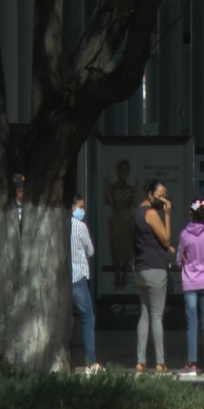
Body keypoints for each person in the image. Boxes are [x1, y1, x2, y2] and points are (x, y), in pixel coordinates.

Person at [132, 180, 174, 374]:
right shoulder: (151, 213)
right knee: (157, 315)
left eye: (164, 196)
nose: (163, 200)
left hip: (140, 268)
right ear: (150, 194)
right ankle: (160, 362)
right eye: (160, 196)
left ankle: (140, 362)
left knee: (145, 314)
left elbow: (148, 240)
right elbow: (165, 238)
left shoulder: (136, 212)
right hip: (155, 269)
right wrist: (167, 213)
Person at [177, 199, 204, 377]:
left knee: (192, 322)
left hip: (190, 282)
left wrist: (184, 257)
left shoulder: (185, 234)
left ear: (192, 213)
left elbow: (178, 259)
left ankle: (191, 364)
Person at [71, 194, 102, 375]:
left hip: (64, 279)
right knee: (88, 317)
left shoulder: (61, 225)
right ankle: (90, 361)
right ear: (72, 207)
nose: (82, 211)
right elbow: (90, 250)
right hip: (79, 278)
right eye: (80, 207)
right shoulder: (80, 226)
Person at [103, 160, 138, 290]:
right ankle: (117, 276)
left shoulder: (130, 188)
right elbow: (107, 201)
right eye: (121, 169)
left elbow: (134, 203)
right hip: (116, 220)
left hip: (127, 220)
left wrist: (135, 189)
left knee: (127, 250)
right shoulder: (112, 186)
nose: (123, 172)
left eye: (126, 170)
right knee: (116, 250)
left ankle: (124, 275)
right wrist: (106, 185)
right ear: (117, 171)